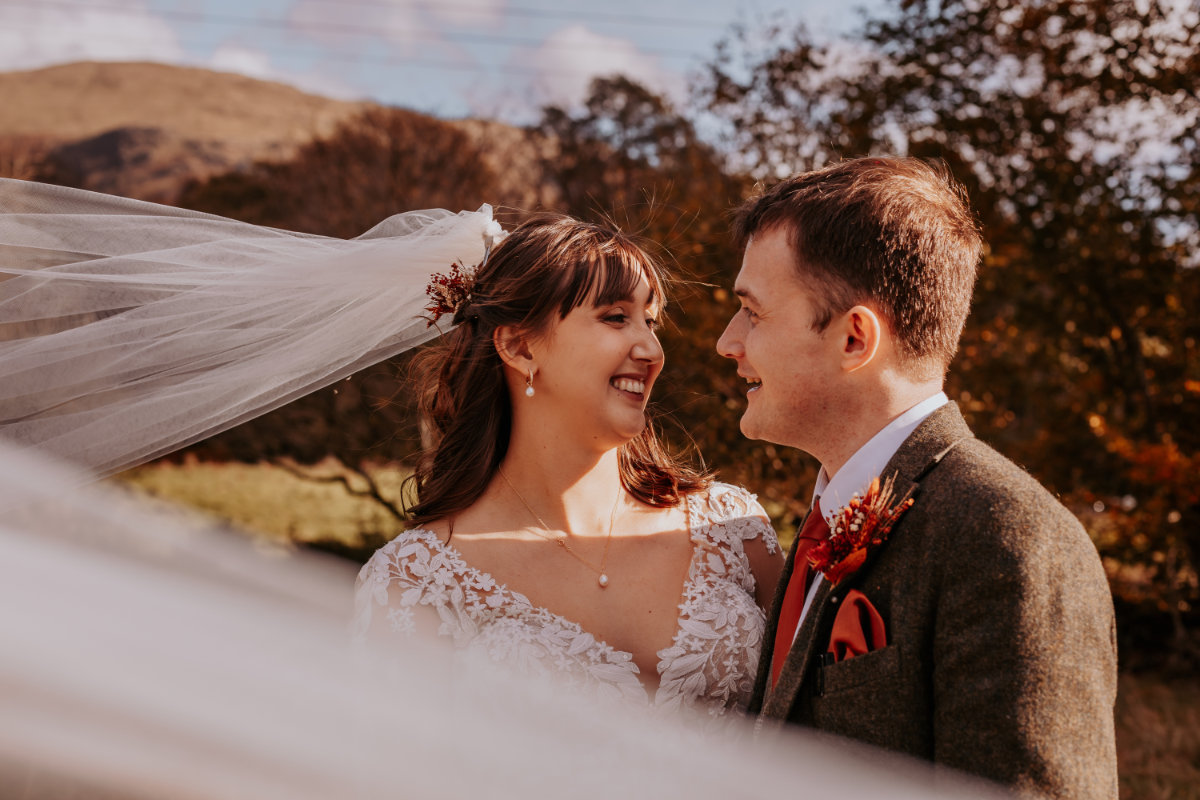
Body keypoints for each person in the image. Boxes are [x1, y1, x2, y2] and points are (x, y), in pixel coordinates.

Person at [715, 157, 1118, 795]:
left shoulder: (1010, 540)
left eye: (753, 313)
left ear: (854, 339)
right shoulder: (828, 515)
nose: (727, 342)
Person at [353, 215, 783, 715]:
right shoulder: (414, 581)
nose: (651, 350)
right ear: (519, 346)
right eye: (616, 317)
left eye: (652, 320)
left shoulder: (732, 528)